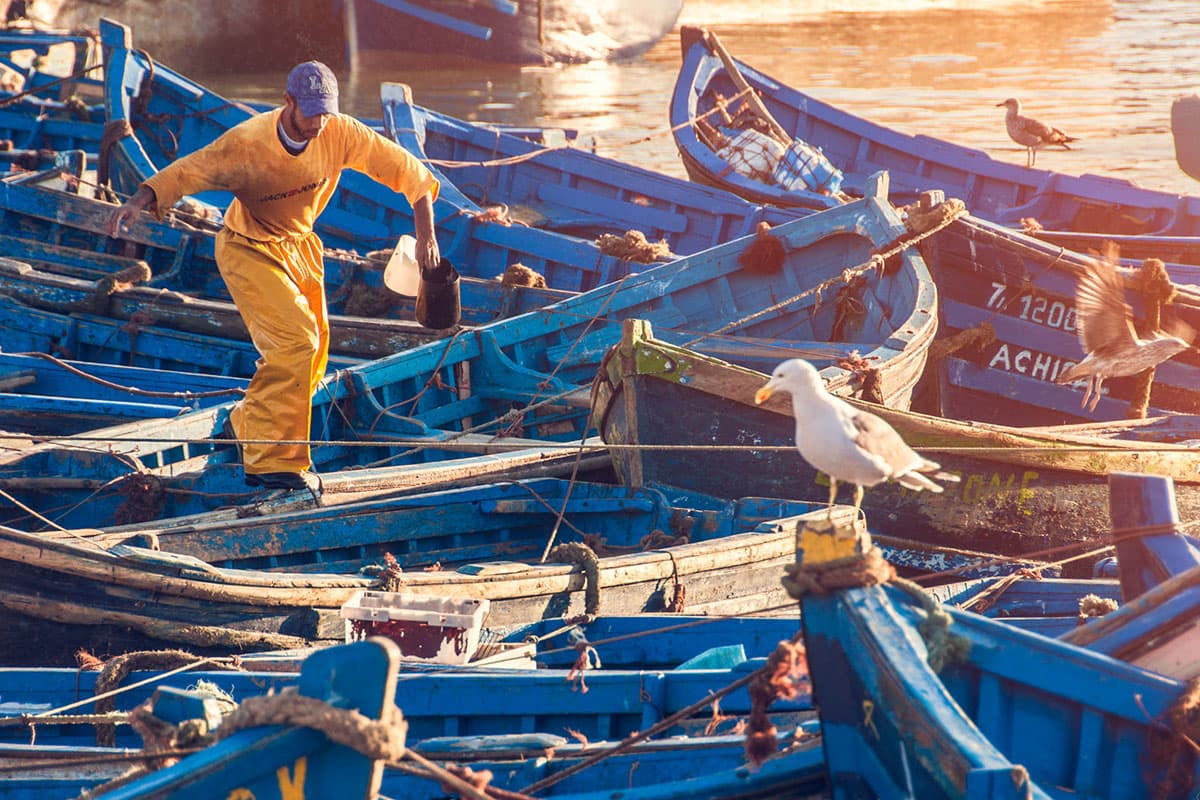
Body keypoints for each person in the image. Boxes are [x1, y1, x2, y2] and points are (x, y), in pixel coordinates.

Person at [108, 61, 440, 492]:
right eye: (311, 114)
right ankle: (270, 462)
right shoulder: (247, 143)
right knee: (294, 343)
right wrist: (137, 201)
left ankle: (243, 423)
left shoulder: (340, 132)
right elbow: (188, 171)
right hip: (248, 248)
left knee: (314, 354)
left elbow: (408, 173)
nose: (319, 124)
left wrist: (426, 236)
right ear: (288, 103)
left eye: (326, 114)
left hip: (300, 246)